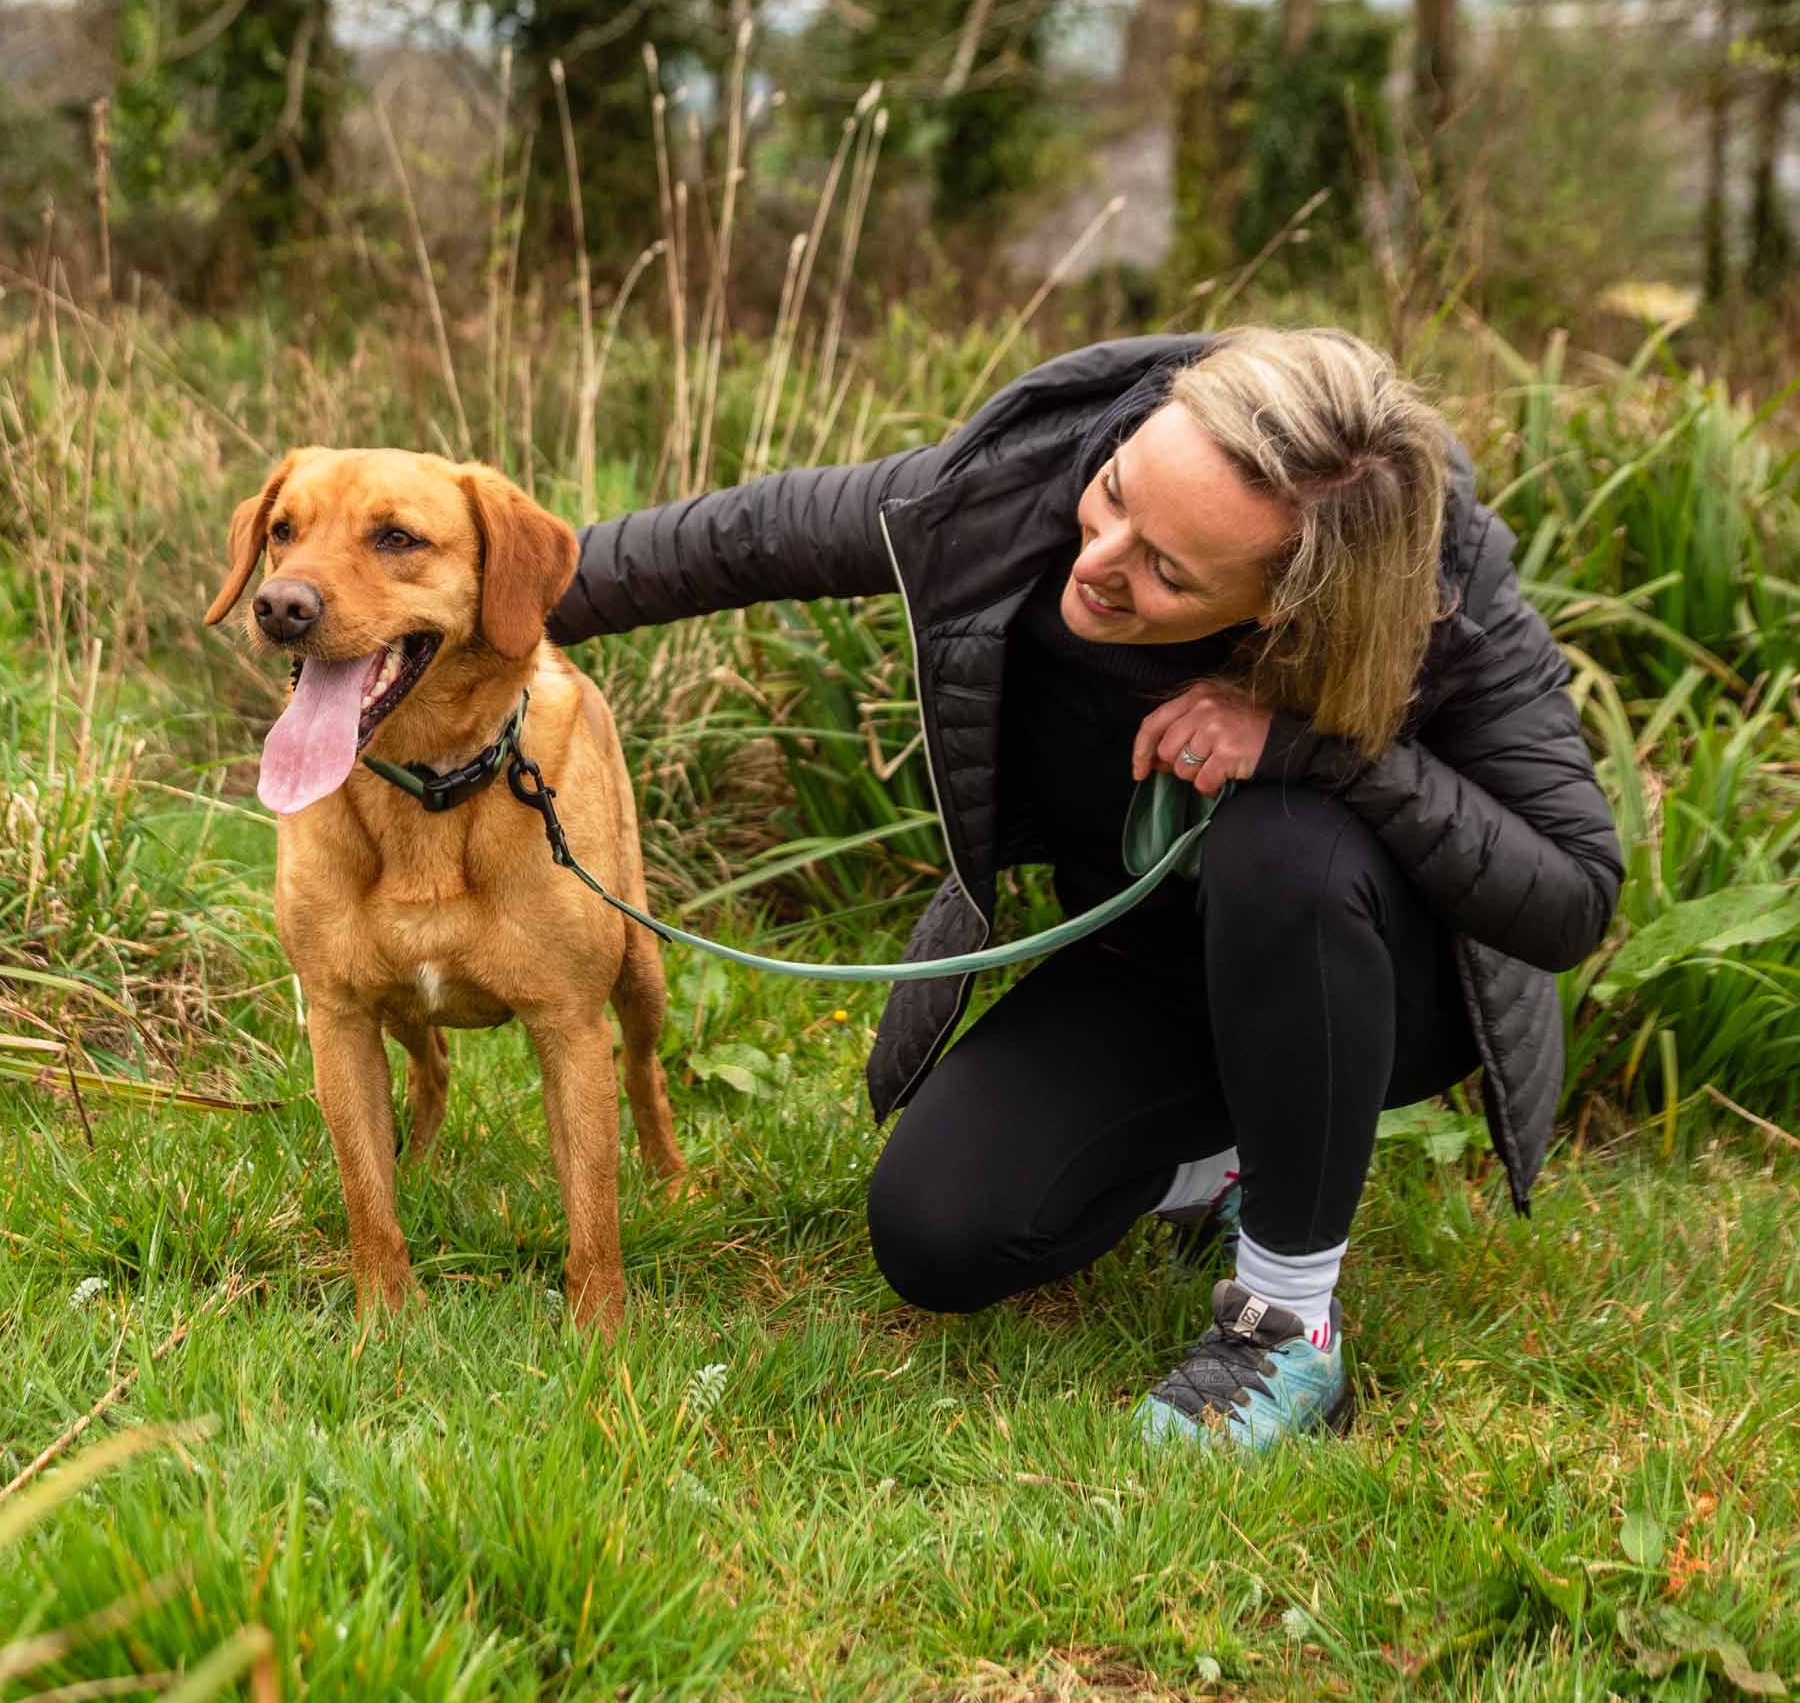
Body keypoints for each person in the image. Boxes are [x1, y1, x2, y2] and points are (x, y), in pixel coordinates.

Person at [547, 327, 1624, 1450]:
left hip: (1376, 980)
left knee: (1284, 838)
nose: (1100, 559)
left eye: (1169, 572)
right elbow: (748, 541)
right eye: (1114, 497)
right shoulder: (1020, 487)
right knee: (940, 1236)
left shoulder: (1443, 593)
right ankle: (1229, 1162)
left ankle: (1286, 1327)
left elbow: (1572, 896)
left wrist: (1316, 748)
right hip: (1156, 968)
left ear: (1294, 605)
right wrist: (493, 600)